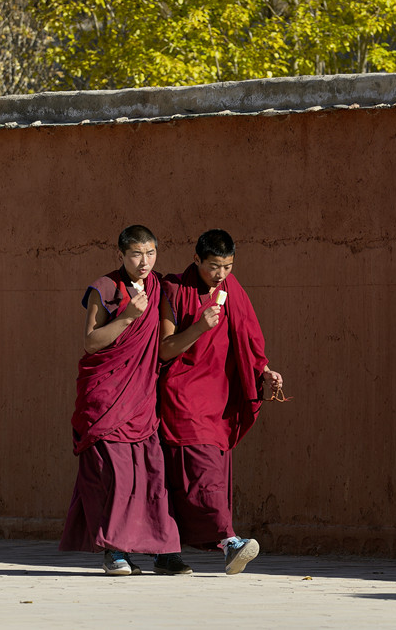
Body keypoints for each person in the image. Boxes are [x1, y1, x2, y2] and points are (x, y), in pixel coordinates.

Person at [59, 225, 187, 576]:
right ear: (121, 255)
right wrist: (129, 315)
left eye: (150, 253)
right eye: (135, 254)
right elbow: (91, 341)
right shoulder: (105, 288)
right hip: (106, 394)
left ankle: (163, 550)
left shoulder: (161, 287)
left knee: (152, 474)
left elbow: (166, 341)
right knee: (115, 475)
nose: (143, 262)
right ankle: (114, 551)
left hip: (142, 395)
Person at [158, 229, 284, 575]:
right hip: (182, 394)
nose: (221, 274)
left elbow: (247, 339)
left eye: (227, 266)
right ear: (196, 259)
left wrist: (265, 371)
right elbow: (165, 349)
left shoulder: (233, 290)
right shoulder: (173, 290)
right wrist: (199, 327)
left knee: (191, 474)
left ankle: (165, 552)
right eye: (214, 266)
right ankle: (230, 541)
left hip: (220, 399)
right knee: (201, 470)